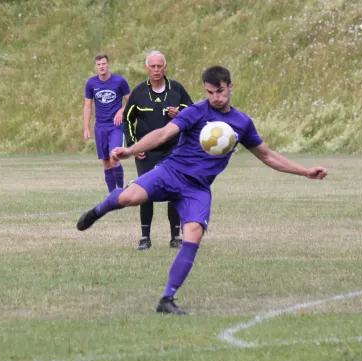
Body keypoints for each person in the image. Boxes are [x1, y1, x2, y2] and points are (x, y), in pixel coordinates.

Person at [77, 66, 328, 315]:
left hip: (197, 188)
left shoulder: (241, 123)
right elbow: (164, 133)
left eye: (220, 91)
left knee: (193, 234)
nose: (215, 98)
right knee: (129, 198)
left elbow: (268, 156)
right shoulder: (197, 111)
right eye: (210, 92)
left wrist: (304, 171)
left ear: (230, 87)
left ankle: (167, 299)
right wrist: (130, 150)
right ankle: (98, 210)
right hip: (171, 171)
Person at [123, 50, 193, 250]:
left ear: (165, 67)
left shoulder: (177, 90)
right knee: (145, 192)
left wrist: (180, 114)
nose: (156, 70)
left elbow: (193, 113)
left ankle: (175, 237)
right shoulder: (138, 92)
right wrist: (133, 145)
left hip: (173, 151)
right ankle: (145, 238)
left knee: (174, 191)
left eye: (159, 66)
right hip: (146, 153)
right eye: (152, 66)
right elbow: (127, 120)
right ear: (146, 68)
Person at [84, 53, 131, 192]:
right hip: (100, 127)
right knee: (106, 161)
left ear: (108, 64)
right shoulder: (91, 83)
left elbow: (132, 101)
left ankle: (121, 191)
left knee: (114, 155)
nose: (101, 67)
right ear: (96, 66)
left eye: (103, 64)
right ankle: (112, 195)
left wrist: (122, 110)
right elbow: (87, 106)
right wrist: (86, 127)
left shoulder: (119, 81)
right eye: (98, 65)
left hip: (116, 126)